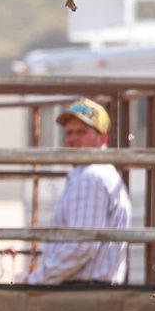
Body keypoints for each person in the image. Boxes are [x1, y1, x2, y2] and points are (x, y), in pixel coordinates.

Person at [25, 98, 131, 284]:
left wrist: (37, 279)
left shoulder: (91, 177)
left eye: (81, 132)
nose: (73, 139)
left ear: (103, 138)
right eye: (69, 133)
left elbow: (81, 245)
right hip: (91, 290)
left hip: (83, 292)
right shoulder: (97, 173)